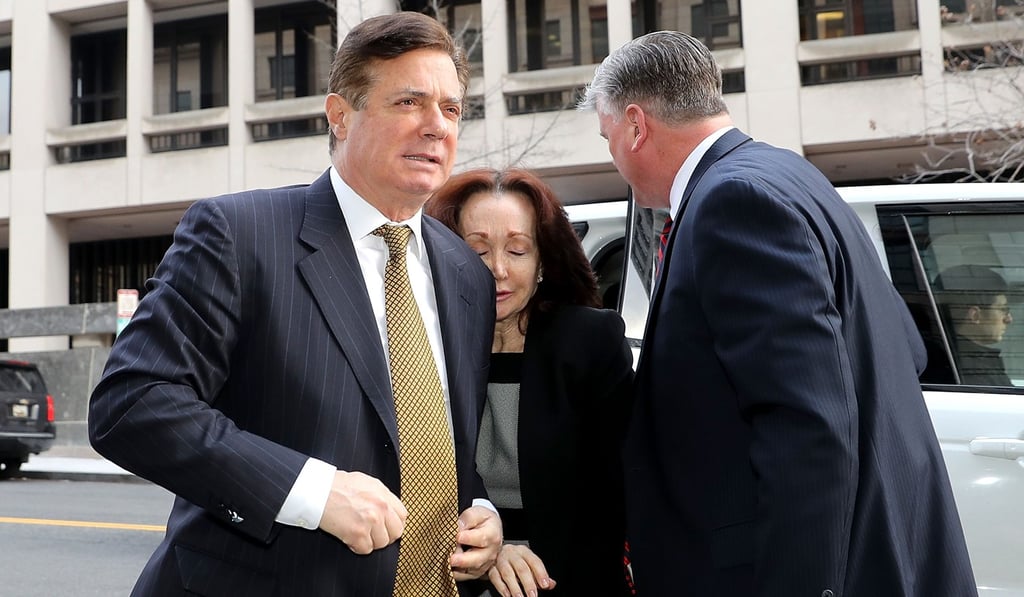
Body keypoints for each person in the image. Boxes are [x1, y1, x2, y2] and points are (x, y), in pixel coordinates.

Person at [88, 12, 502, 596]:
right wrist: (309, 492)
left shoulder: (467, 274)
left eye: (452, 109)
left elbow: (431, 439)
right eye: (409, 102)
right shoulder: (238, 233)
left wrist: (478, 505)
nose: (437, 127)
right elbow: (133, 404)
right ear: (340, 114)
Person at [579, 30, 978, 596]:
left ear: (637, 125)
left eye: (608, 135)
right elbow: (903, 348)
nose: (613, 156)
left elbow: (808, 423)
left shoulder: (732, 202)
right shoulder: (788, 173)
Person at [427, 168, 634, 597]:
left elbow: (619, 496)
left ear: (543, 261)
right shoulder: (424, 349)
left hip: (565, 579)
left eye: (517, 250)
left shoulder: (590, 341)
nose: (497, 270)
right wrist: (491, 550)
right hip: (451, 572)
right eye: (477, 251)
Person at [934, 264, 1015, 386]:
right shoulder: (972, 373)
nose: (1009, 319)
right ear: (975, 315)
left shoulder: (955, 360)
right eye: (1003, 309)